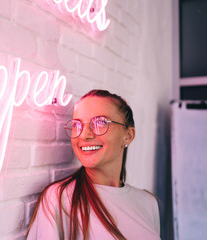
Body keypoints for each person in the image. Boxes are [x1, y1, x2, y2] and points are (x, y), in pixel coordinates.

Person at [27, 89, 160, 240]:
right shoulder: (59, 199)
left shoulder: (148, 203)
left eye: (100, 122)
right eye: (77, 125)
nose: (84, 135)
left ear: (128, 136)